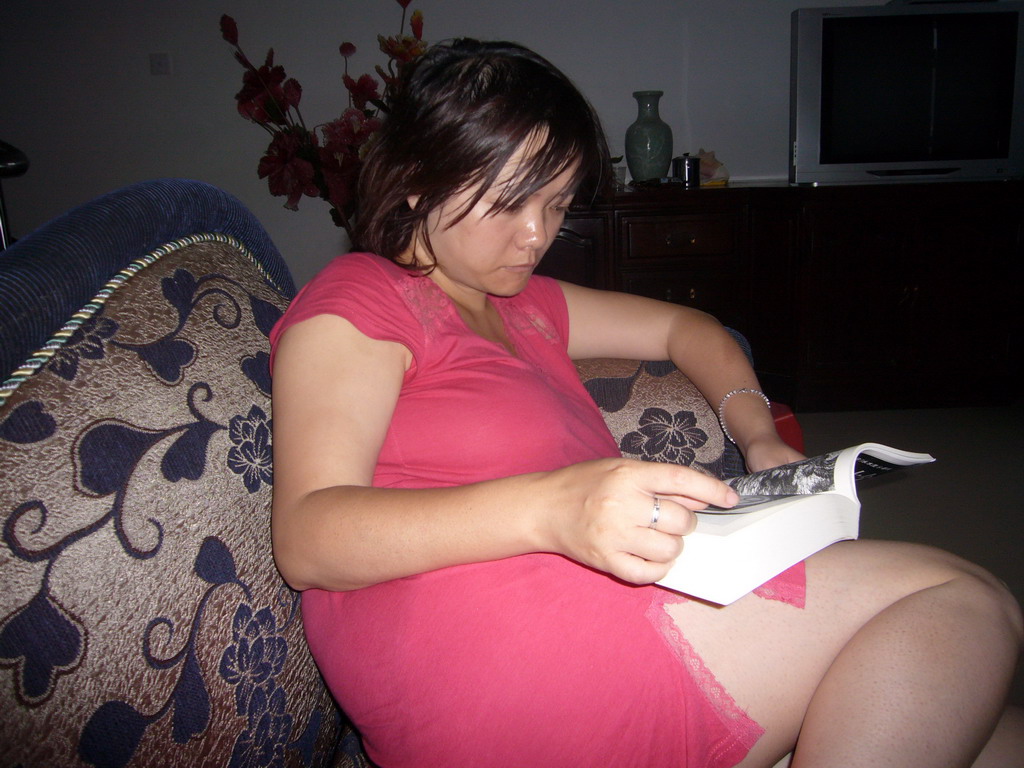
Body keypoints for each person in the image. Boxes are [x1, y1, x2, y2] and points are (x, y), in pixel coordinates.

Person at [269, 39, 1023, 768]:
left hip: (625, 596)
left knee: (987, 727)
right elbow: (308, 538)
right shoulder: (361, 297)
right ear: (415, 179)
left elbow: (685, 327)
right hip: (509, 675)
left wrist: (757, 437)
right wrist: (555, 506)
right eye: (508, 203)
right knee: (964, 605)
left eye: (558, 203)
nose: (537, 235)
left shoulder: (526, 304)